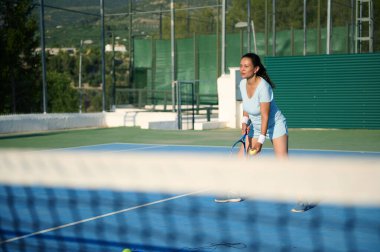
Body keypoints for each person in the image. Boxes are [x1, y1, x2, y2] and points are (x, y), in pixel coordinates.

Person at [239, 52, 288, 158]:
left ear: (256, 69)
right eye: (241, 66)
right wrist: (244, 122)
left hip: (274, 126)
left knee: (283, 163)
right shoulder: (242, 84)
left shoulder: (263, 87)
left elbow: (264, 116)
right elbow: (247, 106)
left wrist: (260, 141)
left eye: (246, 66)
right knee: (242, 160)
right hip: (256, 127)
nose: (242, 69)